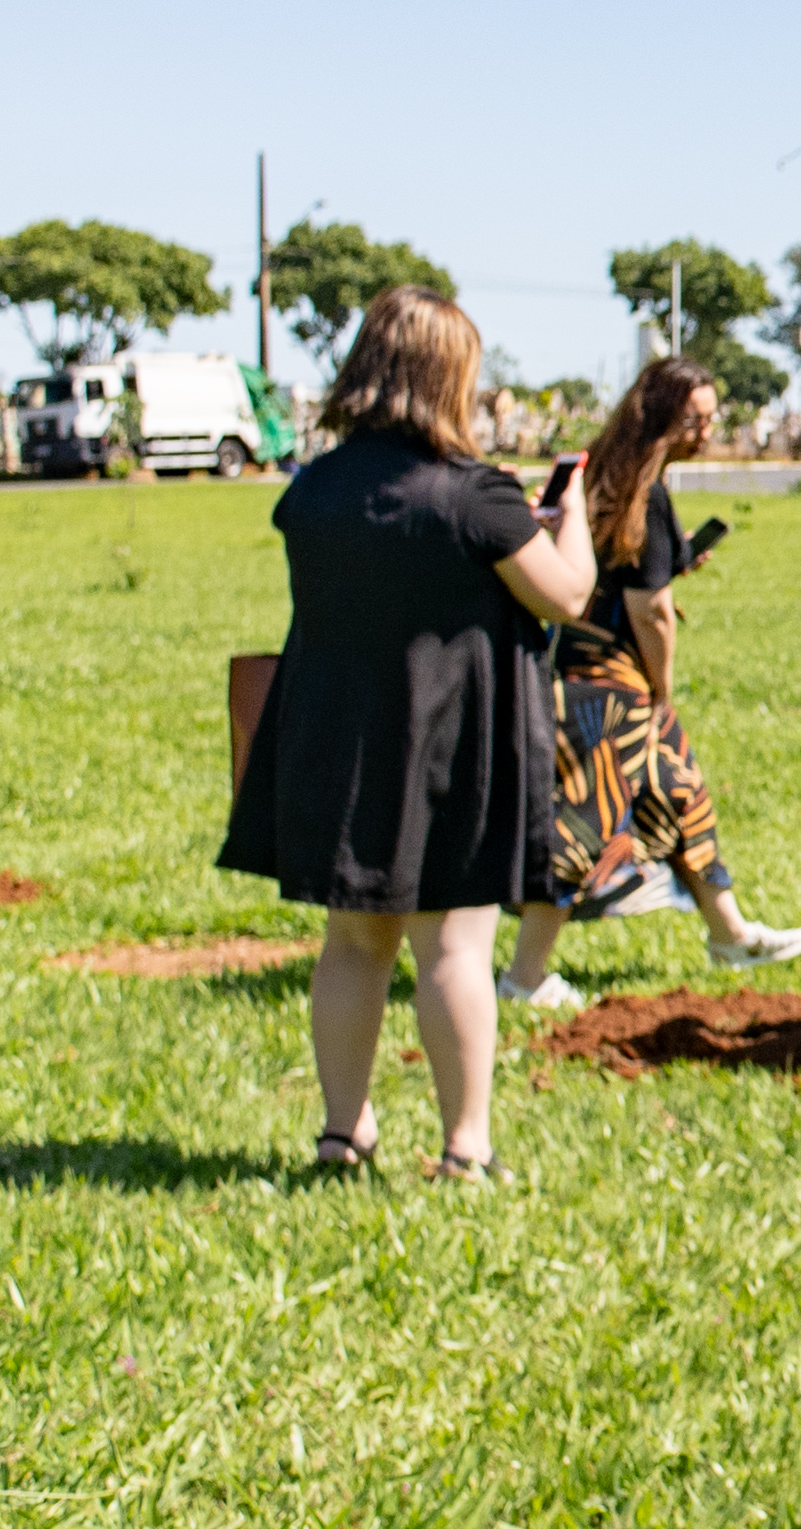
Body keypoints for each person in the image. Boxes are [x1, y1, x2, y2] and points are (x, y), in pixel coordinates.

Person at [218, 286, 600, 1182]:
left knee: (352, 944)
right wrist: (570, 518)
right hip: (446, 754)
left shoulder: (312, 491)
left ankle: (341, 1134)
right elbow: (567, 595)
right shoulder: (476, 497)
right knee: (454, 948)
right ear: (448, 378)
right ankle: (465, 1149)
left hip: (336, 745)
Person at [498, 356, 801, 1008]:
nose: (707, 429)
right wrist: (661, 686)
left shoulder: (593, 477)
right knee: (583, 821)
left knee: (681, 789)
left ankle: (729, 933)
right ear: (665, 418)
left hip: (579, 669)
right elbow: (652, 610)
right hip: (611, 689)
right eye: (698, 417)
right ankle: (523, 978)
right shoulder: (649, 494)